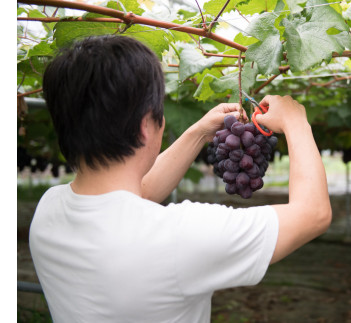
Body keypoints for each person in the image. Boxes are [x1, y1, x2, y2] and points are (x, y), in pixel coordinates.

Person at [29, 35, 331, 322]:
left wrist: (199, 131)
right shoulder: (180, 235)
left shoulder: (48, 212)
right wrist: (295, 120)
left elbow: (131, 197)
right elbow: (312, 214)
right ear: (146, 126)